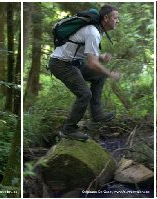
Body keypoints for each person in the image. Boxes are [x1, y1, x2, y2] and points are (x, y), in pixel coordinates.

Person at [48, 5, 121, 141]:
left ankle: (97, 114)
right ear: (106, 18)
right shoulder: (93, 32)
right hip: (60, 65)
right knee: (85, 94)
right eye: (116, 18)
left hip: (73, 63)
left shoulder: (99, 31)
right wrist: (111, 74)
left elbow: (88, 57)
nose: (118, 21)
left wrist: (100, 57)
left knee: (99, 75)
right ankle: (68, 129)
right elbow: (92, 64)